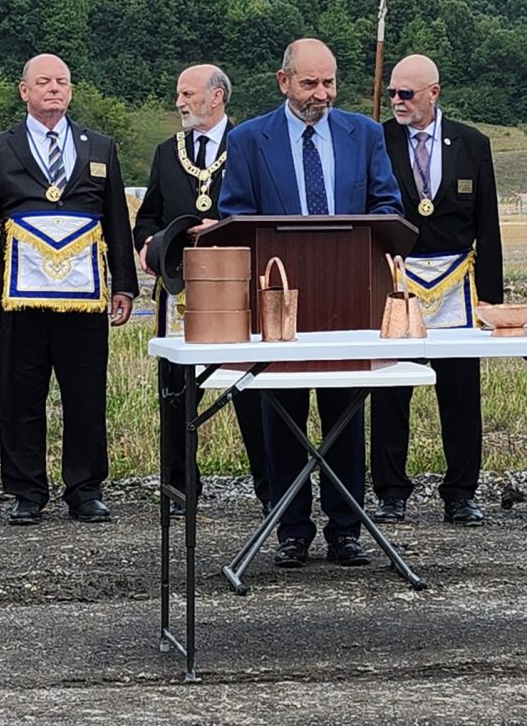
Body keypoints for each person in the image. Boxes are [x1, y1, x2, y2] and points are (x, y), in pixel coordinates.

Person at [219, 38, 403, 568]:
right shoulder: (250, 139)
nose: (321, 94)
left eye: (328, 83)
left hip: (349, 301)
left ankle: (347, 530)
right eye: (309, 84)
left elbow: (385, 204)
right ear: (284, 82)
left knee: (345, 415)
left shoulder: (364, 135)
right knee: (284, 417)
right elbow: (236, 216)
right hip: (278, 305)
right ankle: (290, 529)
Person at [0, 53, 138, 526]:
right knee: (21, 393)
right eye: (43, 82)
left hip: (84, 298)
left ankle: (85, 489)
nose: (54, 89)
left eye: (62, 82)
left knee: (85, 394)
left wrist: (124, 283)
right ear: (24, 91)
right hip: (18, 300)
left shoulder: (100, 146)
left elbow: (117, 223)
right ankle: (26, 490)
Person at [370, 54, 503, 527]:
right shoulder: (378, 139)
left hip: (456, 283)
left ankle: (461, 492)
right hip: (396, 279)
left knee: (461, 392)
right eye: (392, 94)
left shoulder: (471, 143)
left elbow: (487, 223)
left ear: (434, 93)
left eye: (406, 94)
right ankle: (390, 492)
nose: (397, 102)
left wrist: (491, 296)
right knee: (390, 390)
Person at [133, 63, 269, 516]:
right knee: (176, 392)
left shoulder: (251, 144)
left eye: (188, 94)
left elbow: (264, 211)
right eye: (179, 94)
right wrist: (147, 245)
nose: (180, 102)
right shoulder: (165, 152)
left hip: (237, 288)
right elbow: (148, 216)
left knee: (252, 390)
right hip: (180, 292)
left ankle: (271, 488)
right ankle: (180, 486)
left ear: (217, 97)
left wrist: (226, 228)